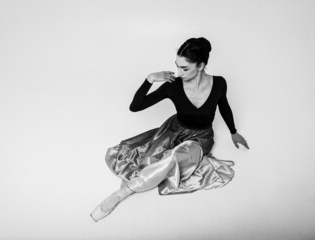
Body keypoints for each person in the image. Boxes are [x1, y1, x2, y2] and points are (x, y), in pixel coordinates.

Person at [90, 37, 249, 222]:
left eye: (185, 68)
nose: (179, 73)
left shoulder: (220, 83)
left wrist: (233, 131)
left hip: (201, 138)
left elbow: (224, 107)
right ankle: (132, 185)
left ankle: (122, 193)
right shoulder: (173, 85)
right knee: (149, 159)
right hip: (173, 131)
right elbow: (135, 106)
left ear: (201, 65)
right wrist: (149, 79)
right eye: (177, 66)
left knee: (173, 158)